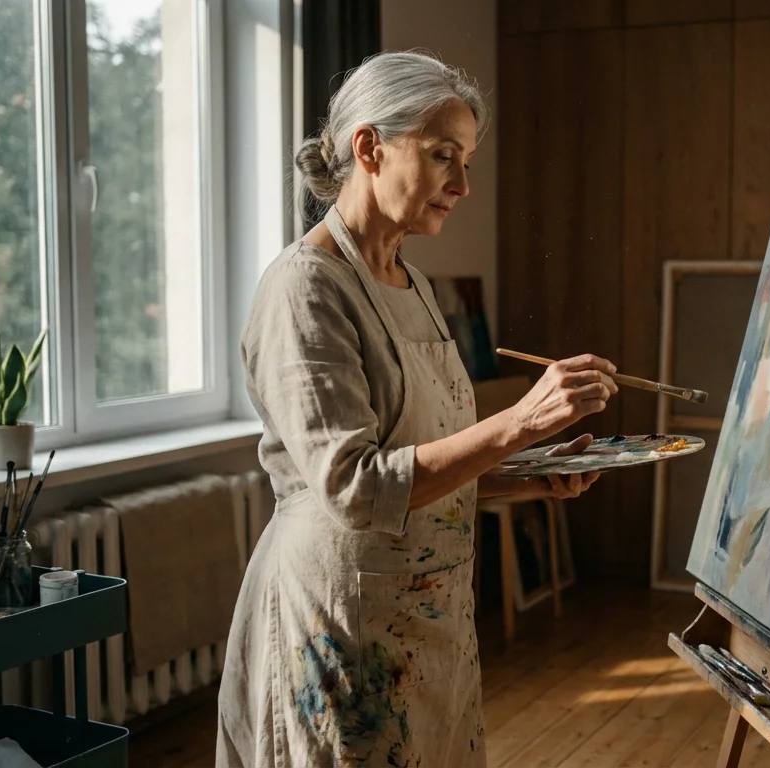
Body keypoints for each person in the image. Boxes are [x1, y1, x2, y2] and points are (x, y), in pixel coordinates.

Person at [215, 50, 617, 767]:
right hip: (339, 620)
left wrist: (525, 473)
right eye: (443, 156)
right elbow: (358, 486)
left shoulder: (413, 281)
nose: (462, 184)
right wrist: (520, 421)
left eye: (465, 161)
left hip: (426, 620)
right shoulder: (304, 290)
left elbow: (429, 456)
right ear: (369, 147)